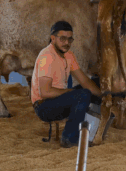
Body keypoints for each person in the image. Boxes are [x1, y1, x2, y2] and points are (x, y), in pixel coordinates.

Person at [32, 20, 102, 148]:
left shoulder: (69, 55)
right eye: (62, 39)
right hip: (43, 106)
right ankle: (69, 139)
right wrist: (71, 92)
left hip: (59, 99)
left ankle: (90, 135)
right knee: (82, 95)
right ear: (53, 38)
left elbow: (84, 81)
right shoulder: (47, 57)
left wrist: (104, 95)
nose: (67, 43)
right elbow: (45, 92)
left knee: (96, 84)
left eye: (70, 39)